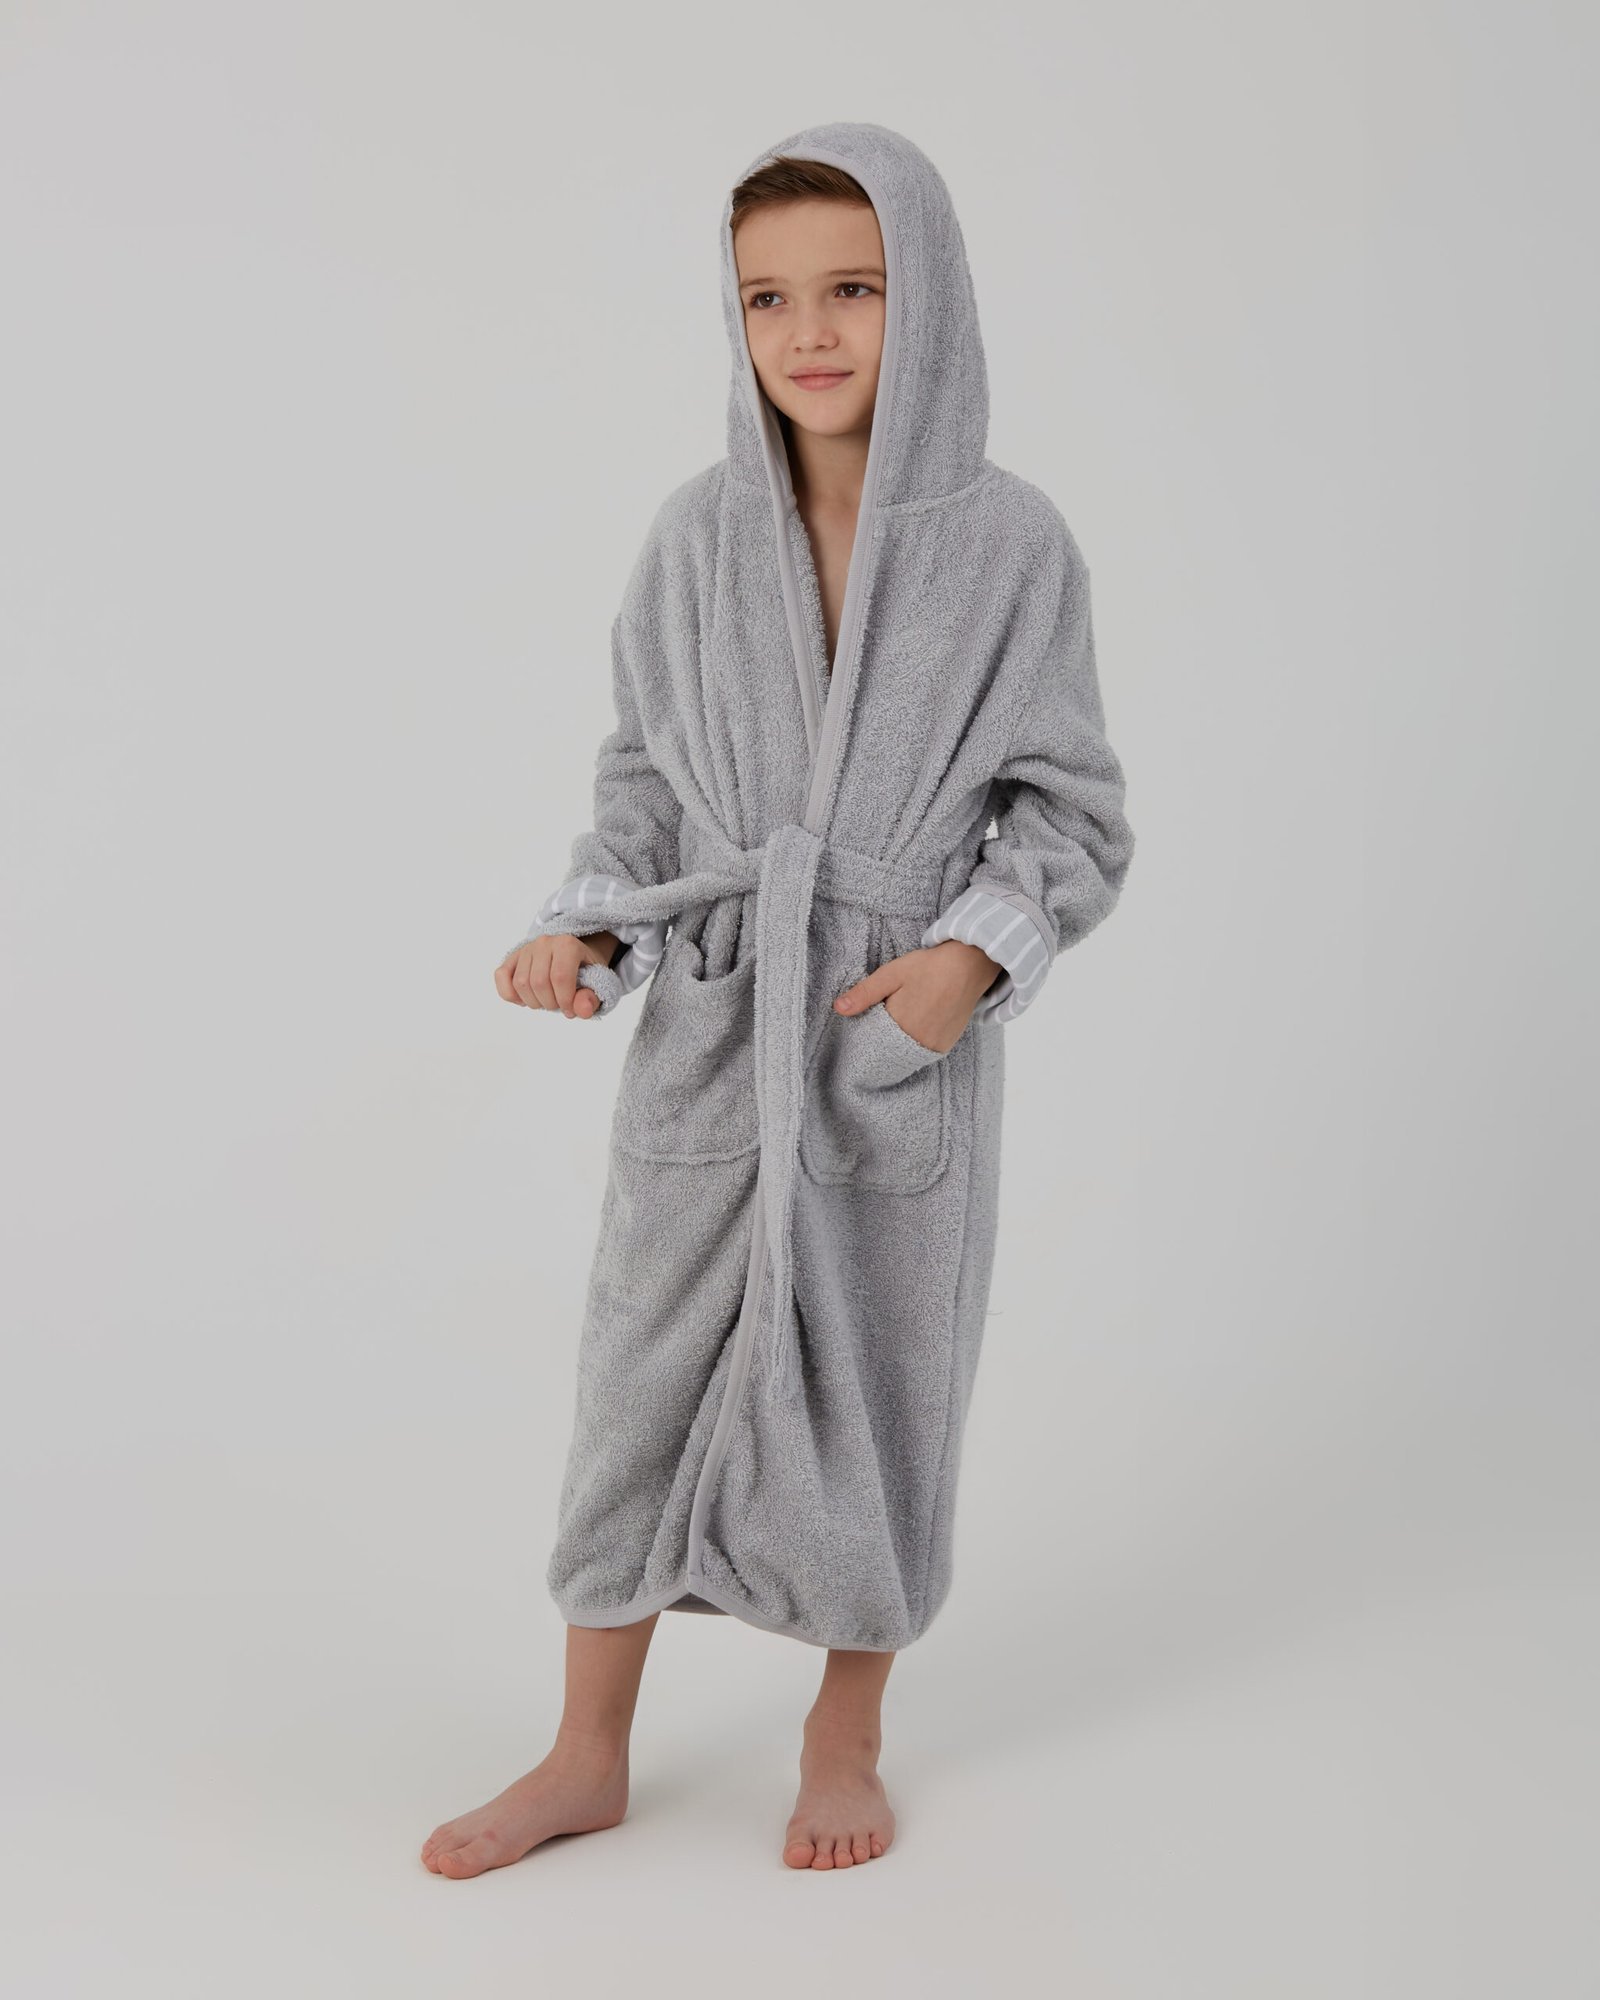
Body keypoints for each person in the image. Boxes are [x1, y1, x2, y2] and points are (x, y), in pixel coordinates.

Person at [422, 120, 1134, 1878]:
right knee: (635, 1379)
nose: (808, 332)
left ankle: (845, 1729)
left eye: (853, 290)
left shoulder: (1011, 547)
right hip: (718, 1011)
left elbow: (1070, 810)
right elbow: (644, 784)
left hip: (885, 1024)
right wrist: (589, 933)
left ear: (929, 299)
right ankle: (587, 1749)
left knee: (883, 1378)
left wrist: (964, 965)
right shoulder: (695, 539)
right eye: (767, 298)